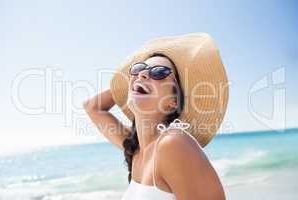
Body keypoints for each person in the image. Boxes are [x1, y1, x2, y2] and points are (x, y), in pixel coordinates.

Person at [83, 33, 229, 200]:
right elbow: (92, 107)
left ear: (173, 102)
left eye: (159, 72)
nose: (142, 74)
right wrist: (133, 82)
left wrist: (138, 81)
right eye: (138, 69)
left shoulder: (173, 144)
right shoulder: (136, 151)